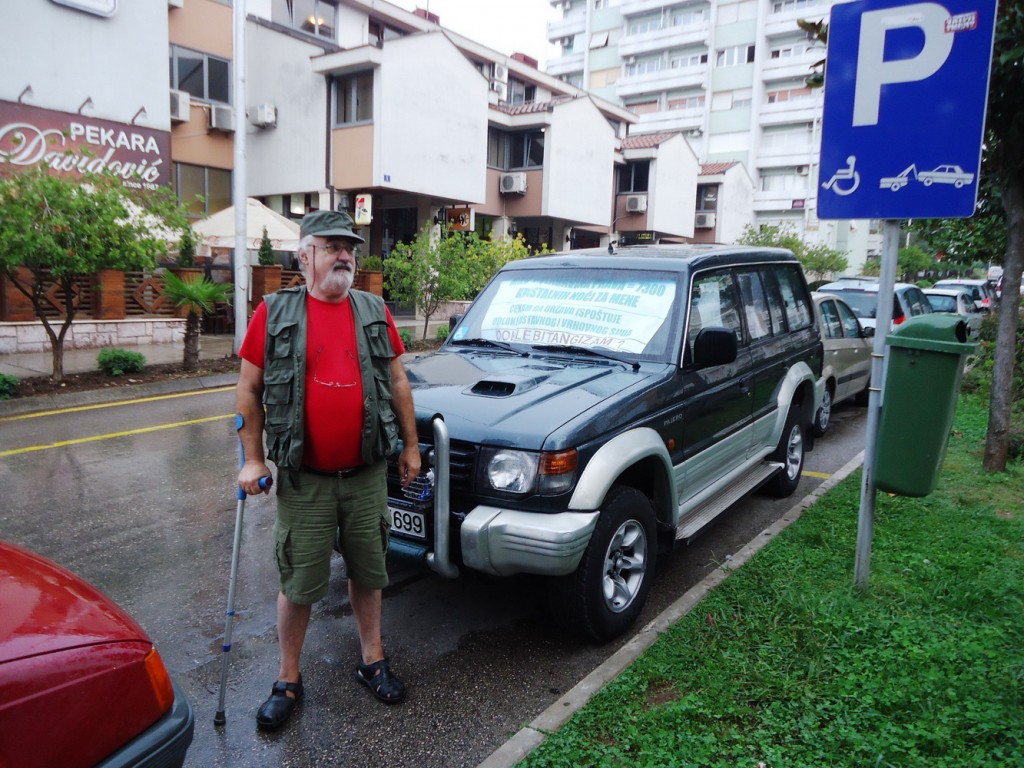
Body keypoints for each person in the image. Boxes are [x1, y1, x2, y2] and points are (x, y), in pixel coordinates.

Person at [235, 209, 421, 731]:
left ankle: (372, 660)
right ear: (304, 255)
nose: (345, 255)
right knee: (299, 581)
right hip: (305, 478)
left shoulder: (373, 310)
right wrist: (252, 459)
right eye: (332, 245)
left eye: (350, 247)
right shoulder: (274, 312)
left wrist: (410, 447)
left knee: (369, 570)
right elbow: (248, 390)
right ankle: (288, 679)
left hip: (364, 475)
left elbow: (399, 382)